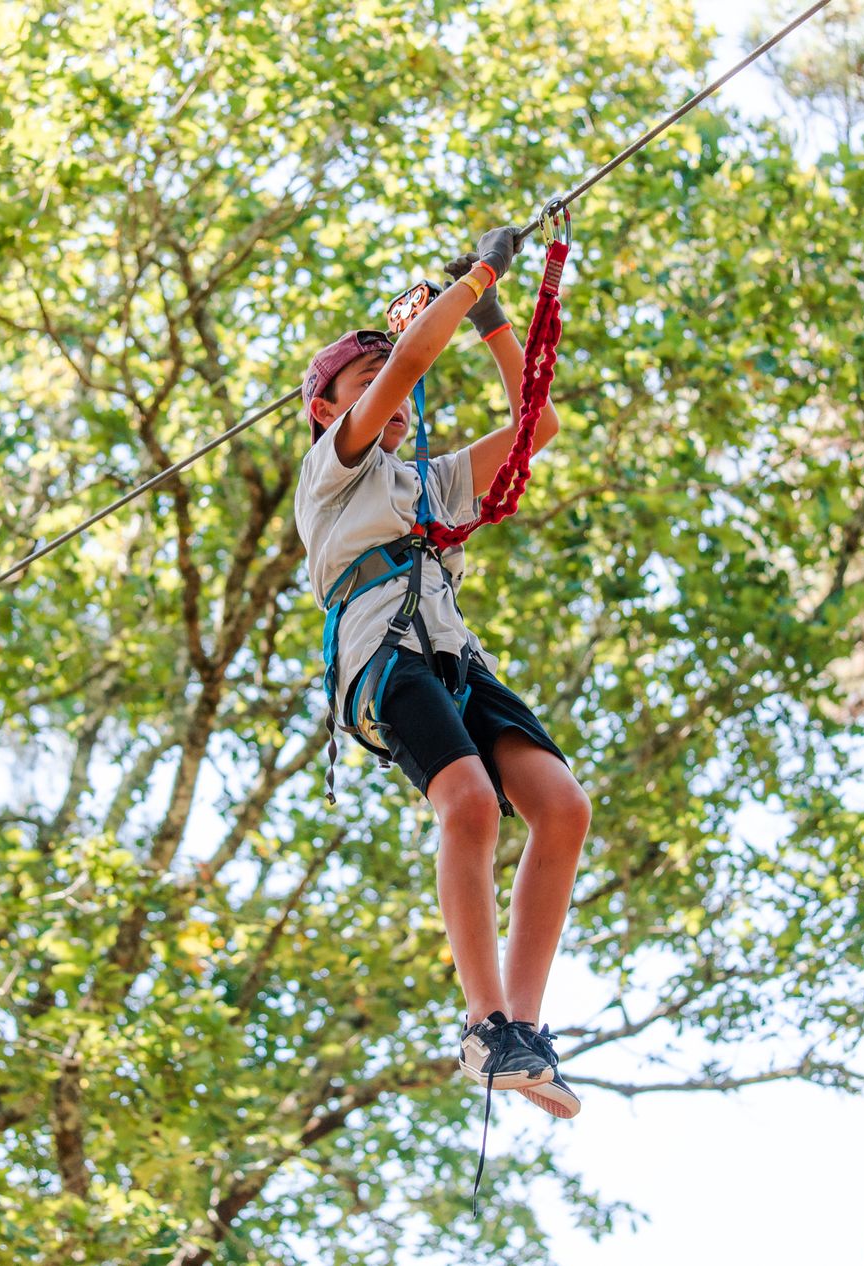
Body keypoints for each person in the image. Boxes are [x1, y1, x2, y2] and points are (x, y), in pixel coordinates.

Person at [292, 225, 593, 1126]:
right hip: (382, 655)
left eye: (398, 390)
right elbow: (415, 351)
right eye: (368, 383)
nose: (395, 395)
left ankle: (521, 1034)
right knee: (465, 804)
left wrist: (496, 316)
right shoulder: (333, 471)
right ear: (329, 407)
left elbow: (533, 423)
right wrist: (474, 280)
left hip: (452, 656)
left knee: (563, 807)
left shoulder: (426, 483)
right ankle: (481, 1021)